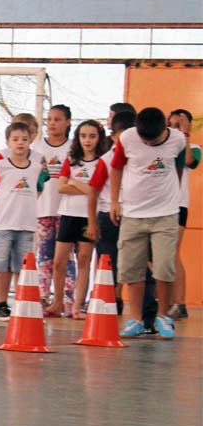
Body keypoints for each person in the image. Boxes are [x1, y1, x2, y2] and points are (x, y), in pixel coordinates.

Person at [108, 107, 187, 339]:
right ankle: (135, 319)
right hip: (133, 214)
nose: (149, 145)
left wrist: (172, 197)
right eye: (145, 141)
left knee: (163, 267)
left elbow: (180, 168)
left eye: (154, 141)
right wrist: (115, 201)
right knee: (131, 269)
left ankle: (163, 316)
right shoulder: (127, 138)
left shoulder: (178, 140)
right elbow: (116, 168)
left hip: (165, 214)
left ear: (164, 130)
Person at [0, 122, 48, 323]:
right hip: (4, 224)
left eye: (24, 139)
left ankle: (21, 305)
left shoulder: (37, 167)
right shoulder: (1, 165)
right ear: (8, 143)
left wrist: (30, 201)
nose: (20, 143)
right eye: (15, 139)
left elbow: (40, 188)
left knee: (20, 269)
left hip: (26, 226)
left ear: (31, 140)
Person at [48, 120, 106, 319]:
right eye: (83, 136)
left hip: (89, 216)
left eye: (92, 136)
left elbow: (96, 191)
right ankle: (57, 303)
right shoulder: (71, 159)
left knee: (84, 261)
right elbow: (61, 187)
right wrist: (85, 187)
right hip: (68, 215)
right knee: (58, 262)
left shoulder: (102, 162)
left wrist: (76, 183)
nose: (87, 140)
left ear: (99, 138)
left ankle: (76, 307)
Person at [86, 110, 136, 314]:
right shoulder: (106, 160)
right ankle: (103, 298)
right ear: (113, 136)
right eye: (120, 135)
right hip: (108, 215)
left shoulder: (139, 157)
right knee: (107, 260)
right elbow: (93, 192)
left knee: (132, 262)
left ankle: (119, 298)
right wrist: (92, 221)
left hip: (134, 215)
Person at [32, 105, 77, 316]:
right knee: (44, 256)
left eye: (57, 119)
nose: (52, 123)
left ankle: (68, 300)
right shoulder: (37, 146)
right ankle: (43, 297)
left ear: (68, 122)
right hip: (44, 210)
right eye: (49, 119)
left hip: (67, 210)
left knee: (67, 258)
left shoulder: (73, 148)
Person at [166, 109, 200, 320]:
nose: (175, 128)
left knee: (172, 253)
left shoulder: (193, 148)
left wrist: (184, 135)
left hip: (178, 206)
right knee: (157, 255)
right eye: (172, 124)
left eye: (180, 124)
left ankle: (180, 303)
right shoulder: (162, 148)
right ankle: (166, 300)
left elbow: (189, 161)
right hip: (158, 205)